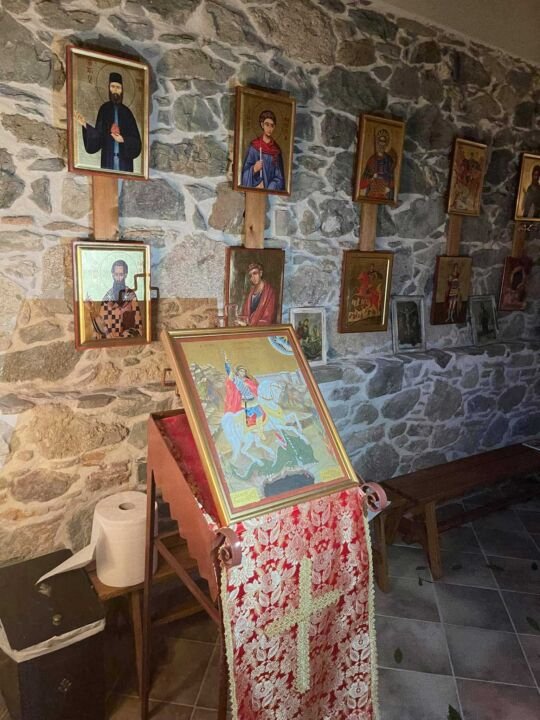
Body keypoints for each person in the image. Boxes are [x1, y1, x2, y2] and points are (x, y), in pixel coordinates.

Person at [75, 71, 142, 172]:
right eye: (113, 86)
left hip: (124, 162)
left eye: (118, 87)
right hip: (108, 159)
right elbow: (98, 136)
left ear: (122, 90)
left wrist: (123, 139)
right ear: (109, 88)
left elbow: (136, 142)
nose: (115, 90)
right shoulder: (104, 109)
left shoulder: (127, 112)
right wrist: (85, 125)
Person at [90, 259, 142, 339]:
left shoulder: (131, 296)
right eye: (116, 274)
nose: (118, 278)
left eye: (121, 274)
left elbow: (138, 325)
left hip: (126, 339)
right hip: (109, 340)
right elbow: (101, 325)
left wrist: (126, 335)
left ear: (125, 275)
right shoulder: (107, 298)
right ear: (112, 275)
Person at [241, 110, 285, 191]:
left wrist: (268, 189)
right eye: (267, 124)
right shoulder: (254, 147)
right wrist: (254, 169)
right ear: (262, 125)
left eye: (272, 125)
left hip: (270, 191)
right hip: (255, 189)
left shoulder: (276, 150)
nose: (269, 128)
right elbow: (244, 175)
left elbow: (279, 179)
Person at [223, 357, 265, 430]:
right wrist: (227, 364)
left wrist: (249, 386)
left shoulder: (248, 380)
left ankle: (260, 430)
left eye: (244, 371)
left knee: (259, 414)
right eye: (241, 371)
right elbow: (229, 373)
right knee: (247, 416)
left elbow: (255, 388)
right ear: (237, 372)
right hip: (244, 401)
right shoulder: (236, 379)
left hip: (252, 399)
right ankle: (248, 428)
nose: (243, 373)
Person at [358, 127, 396, 201]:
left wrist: (389, 188)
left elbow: (392, 178)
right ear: (377, 143)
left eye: (384, 141)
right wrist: (372, 178)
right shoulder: (372, 160)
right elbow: (362, 183)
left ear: (386, 143)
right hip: (373, 191)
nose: (381, 144)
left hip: (385, 191)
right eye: (380, 141)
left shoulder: (389, 160)